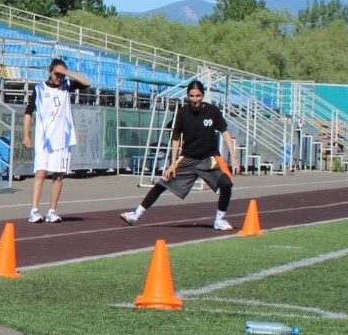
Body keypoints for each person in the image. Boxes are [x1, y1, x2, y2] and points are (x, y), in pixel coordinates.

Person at [120, 79, 239, 230]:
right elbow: (175, 137)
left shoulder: (212, 111)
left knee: (227, 184)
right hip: (187, 159)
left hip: (209, 159)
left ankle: (219, 220)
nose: (195, 99)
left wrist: (234, 158)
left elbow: (225, 132)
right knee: (162, 183)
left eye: (198, 96)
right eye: (191, 96)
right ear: (187, 96)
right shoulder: (182, 113)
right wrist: (172, 163)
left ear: (203, 95)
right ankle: (135, 215)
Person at [26, 56, 93, 223]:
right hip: (44, 139)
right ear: (50, 72)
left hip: (62, 138)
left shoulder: (66, 86)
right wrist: (26, 134)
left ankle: (52, 210)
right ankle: (34, 210)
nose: (59, 78)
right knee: (41, 173)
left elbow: (87, 83)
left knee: (58, 175)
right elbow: (28, 112)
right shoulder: (39, 89)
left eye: (62, 75)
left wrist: (67, 72)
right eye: (57, 74)